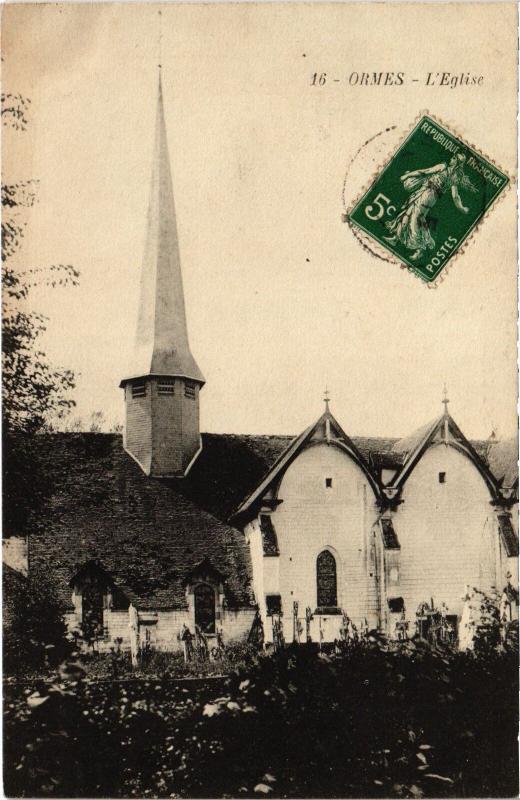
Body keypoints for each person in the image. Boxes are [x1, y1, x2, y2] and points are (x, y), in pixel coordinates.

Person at [384, 152, 476, 261]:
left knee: (415, 218)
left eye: (454, 158)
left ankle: (420, 249)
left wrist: (408, 175)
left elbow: (425, 172)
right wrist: (461, 207)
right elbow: (455, 197)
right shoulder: (452, 175)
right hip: (426, 192)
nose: (451, 158)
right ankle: (396, 238)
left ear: (457, 162)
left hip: (428, 195)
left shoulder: (445, 169)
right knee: (408, 212)